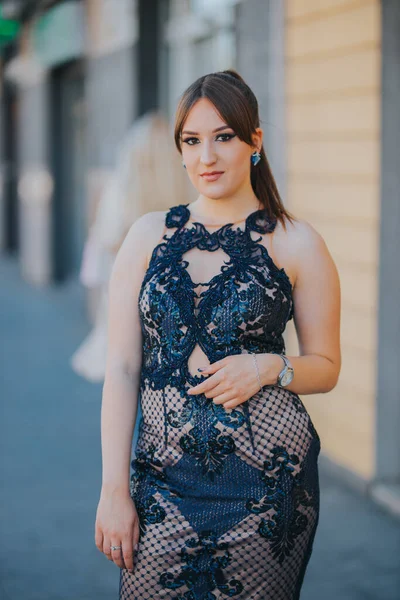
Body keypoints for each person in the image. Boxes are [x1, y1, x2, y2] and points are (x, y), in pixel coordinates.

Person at [94, 70, 341, 599]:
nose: (206, 156)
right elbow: (120, 369)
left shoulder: (298, 243)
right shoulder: (146, 236)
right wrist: (114, 489)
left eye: (223, 136)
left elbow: (327, 367)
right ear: (180, 150)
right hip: (161, 481)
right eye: (192, 140)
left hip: (268, 481)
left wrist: (269, 366)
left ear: (255, 141)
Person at [70, 111, 188, 384]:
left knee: (124, 372)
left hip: (130, 295)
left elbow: (106, 244)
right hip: (175, 300)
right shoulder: (186, 188)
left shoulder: (121, 190)